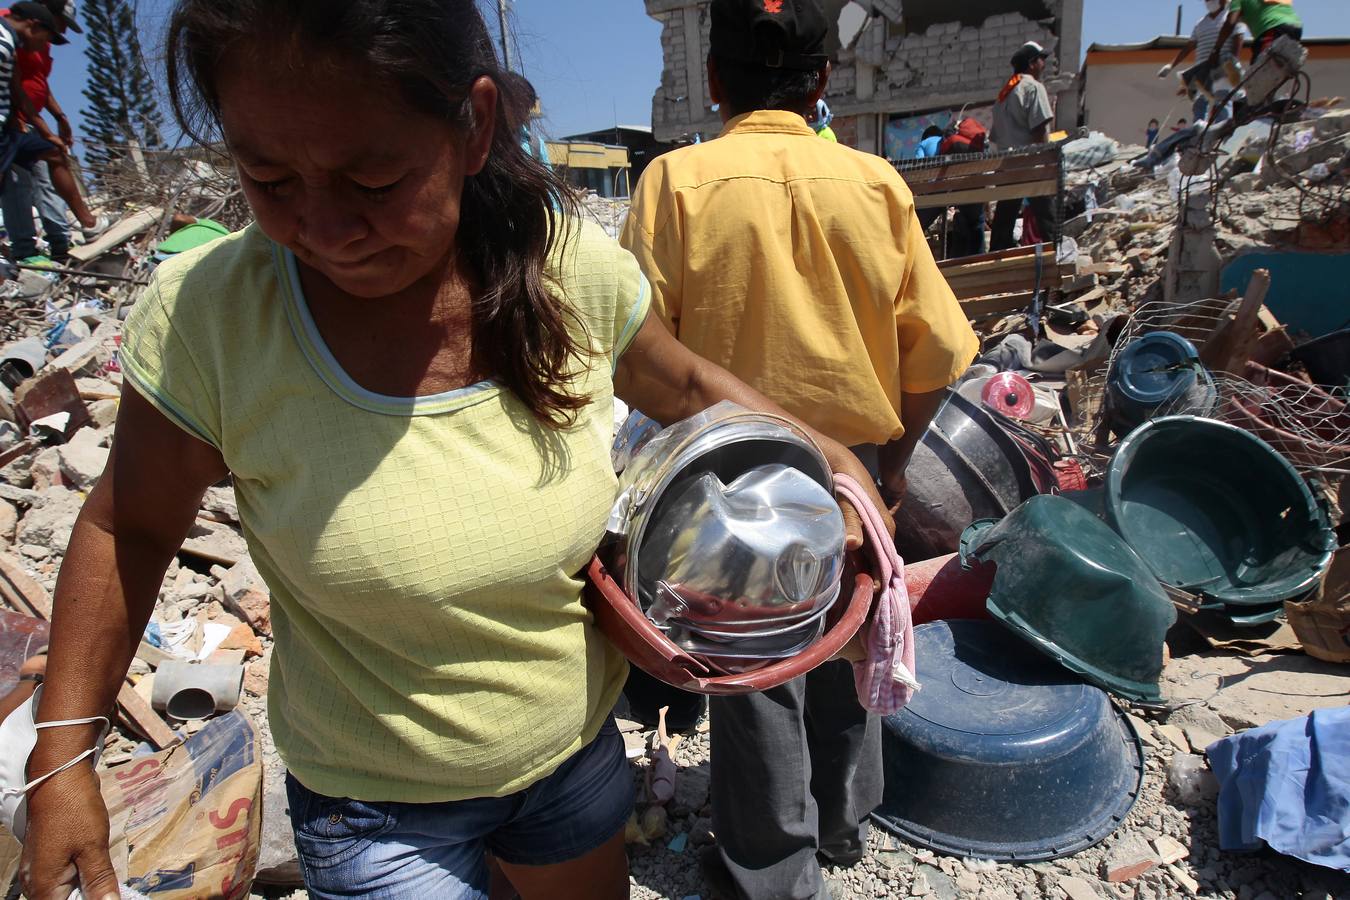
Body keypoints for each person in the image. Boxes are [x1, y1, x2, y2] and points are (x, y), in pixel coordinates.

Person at [17, 1, 889, 899]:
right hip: (373, 809)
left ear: (472, 125)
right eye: (270, 179)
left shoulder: (559, 266)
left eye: (373, 181)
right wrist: (63, 759)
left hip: (567, 762)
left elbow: (687, 385)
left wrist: (828, 460)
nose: (326, 229)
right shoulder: (212, 320)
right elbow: (128, 527)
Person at [619, 1, 978, 897]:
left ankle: (771, 866)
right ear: (822, 79)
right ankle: (843, 823)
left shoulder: (675, 184)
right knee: (850, 633)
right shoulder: (876, 185)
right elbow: (936, 350)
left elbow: (638, 351)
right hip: (849, 465)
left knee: (758, 668)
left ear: (713, 78)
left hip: (730, 469)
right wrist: (889, 468)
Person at [0, 2, 104, 242]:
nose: (62, 32)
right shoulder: (5, 42)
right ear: (36, 24)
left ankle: (83, 226)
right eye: (57, 27)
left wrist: (53, 125)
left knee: (53, 153)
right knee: (16, 184)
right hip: (10, 124)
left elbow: (23, 88)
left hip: (17, 124)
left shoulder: (16, 43)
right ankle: (25, 247)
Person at [989, 40, 1055, 251]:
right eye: (1042, 59)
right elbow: (1039, 128)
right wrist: (1046, 162)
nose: (1044, 64)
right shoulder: (1033, 87)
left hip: (1009, 167)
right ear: (1032, 63)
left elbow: (996, 136)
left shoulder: (1004, 95)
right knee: (1047, 217)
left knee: (1004, 219)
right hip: (1030, 165)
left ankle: (995, 259)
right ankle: (1058, 256)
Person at [1157, 0, 1245, 128]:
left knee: (1222, 100)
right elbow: (1189, 46)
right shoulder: (1200, 24)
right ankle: (1198, 132)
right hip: (1202, 71)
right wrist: (1171, 65)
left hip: (1222, 67)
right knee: (1199, 103)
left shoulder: (1231, 17)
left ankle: (1222, 131)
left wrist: (1233, 62)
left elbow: (1239, 38)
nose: (1209, 2)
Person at [1214, 0, 1302, 66]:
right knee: (1276, 65)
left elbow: (1230, 23)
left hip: (1273, 28)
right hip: (1296, 27)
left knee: (1257, 69)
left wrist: (1216, 50)